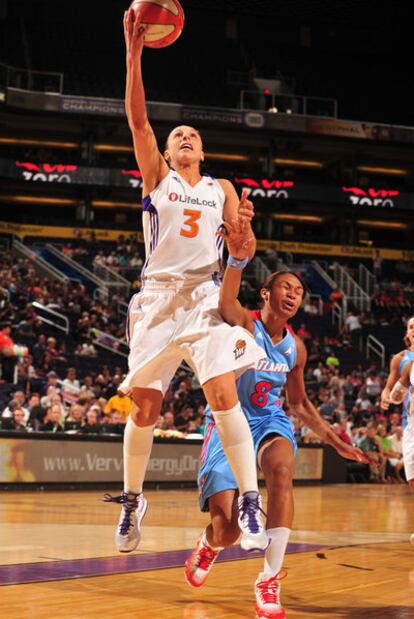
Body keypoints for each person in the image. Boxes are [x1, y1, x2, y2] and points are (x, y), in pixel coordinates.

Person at [104, 7, 268, 555]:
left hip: (202, 296)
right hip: (156, 300)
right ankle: (132, 499)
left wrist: (243, 241)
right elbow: (138, 120)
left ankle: (250, 498)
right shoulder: (158, 178)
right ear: (169, 153)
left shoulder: (222, 186)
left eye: (192, 134)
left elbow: (239, 249)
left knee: (222, 393)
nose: (185, 136)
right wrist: (133, 56)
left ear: (203, 151)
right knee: (144, 409)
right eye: (178, 135)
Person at [184, 221, 369, 618]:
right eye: (287, 287)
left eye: (300, 292)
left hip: (269, 421)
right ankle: (209, 544)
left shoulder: (295, 349)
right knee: (228, 531)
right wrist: (237, 256)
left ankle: (268, 579)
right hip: (228, 420)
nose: (294, 295)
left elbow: (299, 405)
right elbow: (226, 298)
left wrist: (337, 441)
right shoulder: (244, 323)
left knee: (282, 471)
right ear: (266, 292)